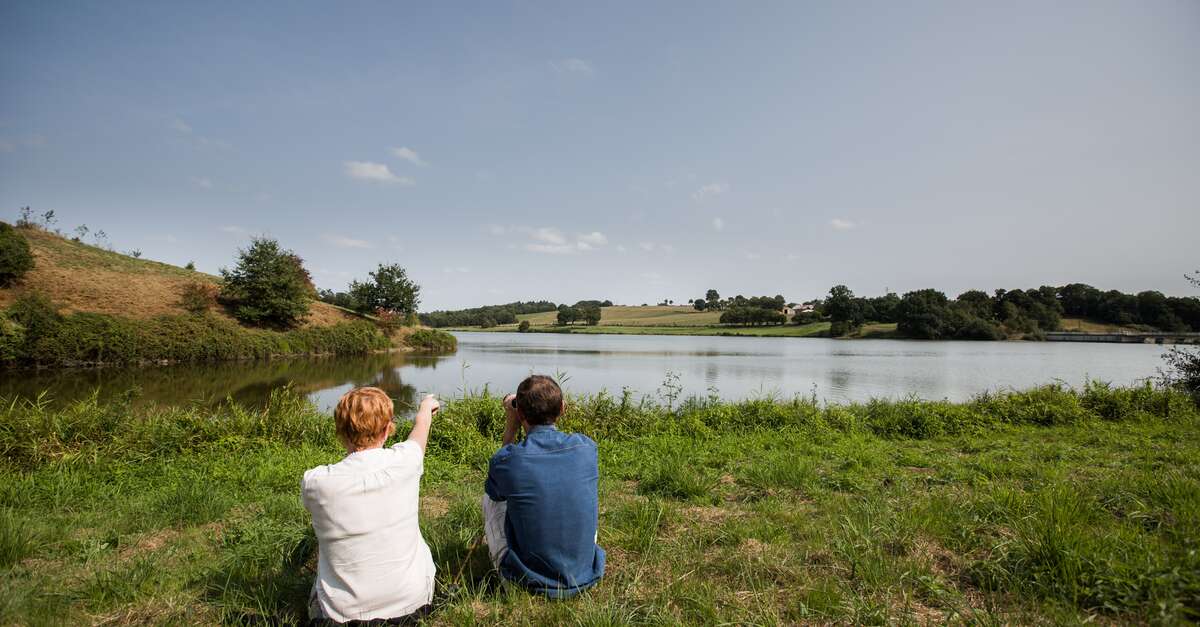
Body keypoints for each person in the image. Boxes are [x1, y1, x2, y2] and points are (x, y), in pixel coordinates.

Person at [301, 387, 440, 623]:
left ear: (340, 432)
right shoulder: (406, 462)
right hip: (414, 601)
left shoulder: (315, 482)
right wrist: (426, 407)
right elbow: (420, 430)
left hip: (342, 615)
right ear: (387, 429)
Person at [482, 375, 605, 598]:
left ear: (520, 413)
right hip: (585, 576)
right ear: (563, 409)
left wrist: (511, 423)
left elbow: (498, 484)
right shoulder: (587, 447)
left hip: (525, 582)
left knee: (492, 496)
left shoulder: (507, 460)